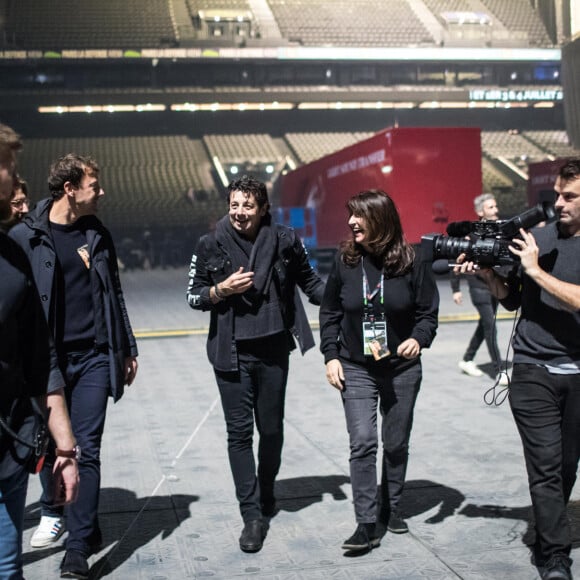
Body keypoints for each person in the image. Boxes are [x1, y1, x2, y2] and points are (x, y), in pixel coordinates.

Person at [10, 153, 139, 579]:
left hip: (94, 357)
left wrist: (127, 347)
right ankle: (83, 517)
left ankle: (78, 549)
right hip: (47, 365)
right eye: (93, 185)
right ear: (70, 188)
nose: (100, 193)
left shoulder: (96, 232)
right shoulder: (27, 236)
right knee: (52, 448)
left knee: (85, 448)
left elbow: (114, 291)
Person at [455, 159, 580, 580]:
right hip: (532, 368)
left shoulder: (536, 255)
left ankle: (549, 531)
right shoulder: (536, 238)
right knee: (545, 465)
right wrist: (490, 276)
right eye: (558, 194)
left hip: (578, 372)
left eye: (570, 196)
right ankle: (556, 557)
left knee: (566, 467)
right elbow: (510, 298)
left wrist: (534, 271)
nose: (558, 202)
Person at [187, 175, 324, 553]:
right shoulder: (210, 242)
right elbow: (193, 296)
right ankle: (251, 515)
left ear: (263, 208)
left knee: (273, 430)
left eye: (248, 205)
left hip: (274, 350)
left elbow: (310, 282)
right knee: (239, 434)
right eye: (234, 205)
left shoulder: (284, 239)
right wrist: (220, 291)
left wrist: (343, 298)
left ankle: (266, 492)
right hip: (230, 353)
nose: (239, 212)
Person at [319, 190, 439, 551]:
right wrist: (330, 355)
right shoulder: (345, 260)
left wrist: (419, 338)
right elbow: (330, 313)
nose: (351, 222)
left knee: (397, 442)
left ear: (381, 221)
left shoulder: (414, 261)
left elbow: (427, 314)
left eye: (359, 216)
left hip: (401, 368)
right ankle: (366, 522)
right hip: (355, 366)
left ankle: (393, 506)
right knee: (363, 443)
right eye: (350, 215)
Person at [1, 123, 79, 579]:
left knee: (9, 569)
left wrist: (66, 449)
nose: (14, 177)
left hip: (9, 449)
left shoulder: (13, 254)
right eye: (6, 165)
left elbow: (40, 356)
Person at [452, 193, 508, 386]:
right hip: (478, 289)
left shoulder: (499, 232)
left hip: (494, 286)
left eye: (495, 206)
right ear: (480, 212)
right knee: (490, 327)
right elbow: (457, 261)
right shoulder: (472, 235)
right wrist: (455, 289)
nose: (495, 210)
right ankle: (499, 370)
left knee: (484, 325)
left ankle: (467, 359)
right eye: (491, 207)